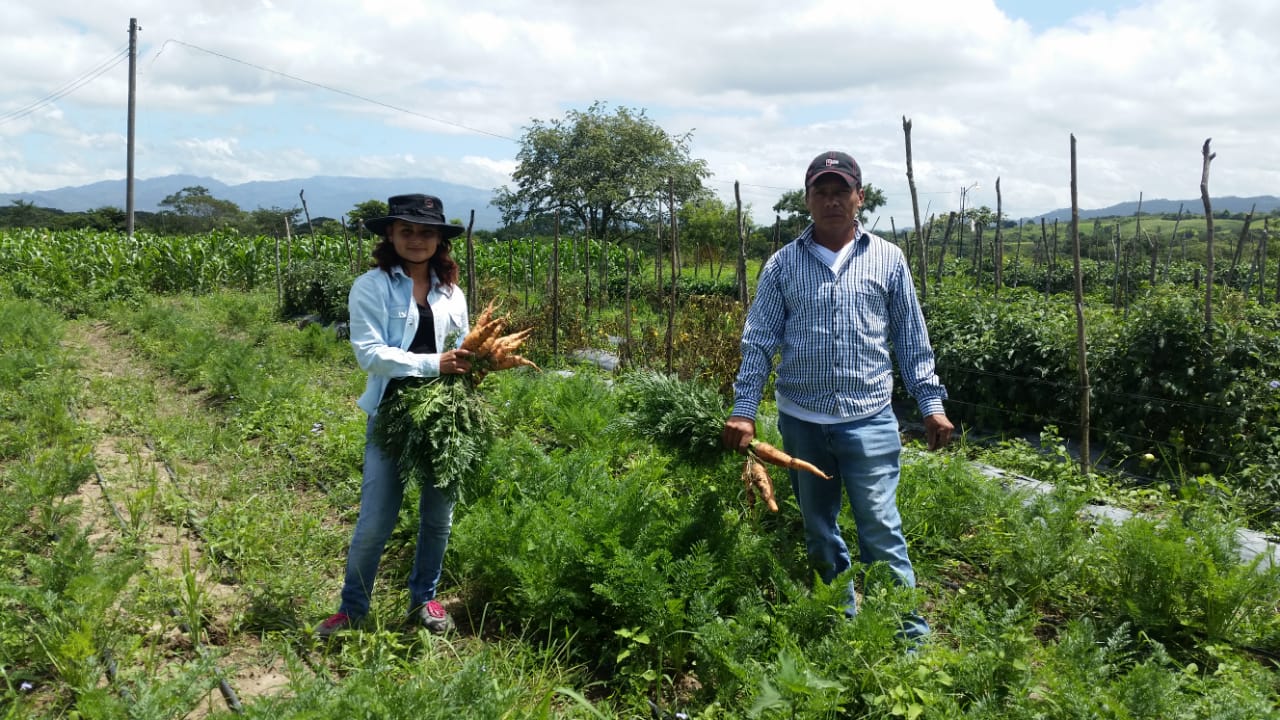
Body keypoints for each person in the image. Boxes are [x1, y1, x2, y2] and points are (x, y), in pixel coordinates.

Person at [721, 151, 954, 643]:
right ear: (807, 200)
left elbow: (911, 339)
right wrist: (744, 411)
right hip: (801, 421)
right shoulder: (783, 265)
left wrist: (930, 404)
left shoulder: (888, 259)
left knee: (881, 529)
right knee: (819, 527)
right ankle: (839, 616)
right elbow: (760, 340)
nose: (831, 201)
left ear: (859, 197)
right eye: (821, 192)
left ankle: (907, 635)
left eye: (840, 191)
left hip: (869, 418)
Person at [316, 193, 474, 638]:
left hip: (447, 413)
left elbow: (461, 343)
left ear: (440, 239)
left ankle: (424, 599)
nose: (417, 239)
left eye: (427, 232)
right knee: (377, 517)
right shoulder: (372, 285)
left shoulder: (452, 291)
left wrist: (476, 361)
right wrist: (434, 363)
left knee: (437, 517)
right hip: (393, 411)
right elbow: (370, 354)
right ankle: (352, 609)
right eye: (407, 230)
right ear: (390, 234)